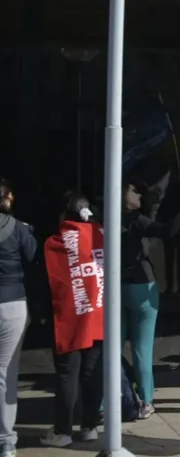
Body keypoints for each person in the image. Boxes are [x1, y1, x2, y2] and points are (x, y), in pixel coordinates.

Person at [121, 180, 180, 416]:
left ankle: (103, 402)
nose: (139, 191)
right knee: (142, 349)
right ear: (121, 195)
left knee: (111, 349)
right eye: (133, 189)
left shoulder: (104, 222)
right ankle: (146, 401)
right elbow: (168, 231)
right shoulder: (136, 220)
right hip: (141, 287)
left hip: (115, 288)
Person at [40, 192, 104, 447]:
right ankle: (89, 426)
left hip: (70, 318)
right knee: (92, 372)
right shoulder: (101, 235)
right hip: (98, 313)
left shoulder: (56, 241)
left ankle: (62, 431)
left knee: (68, 374)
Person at [0, 179, 37, 456]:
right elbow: (34, 261)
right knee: (6, 374)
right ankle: (6, 440)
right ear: (8, 198)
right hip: (12, 302)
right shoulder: (20, 229)